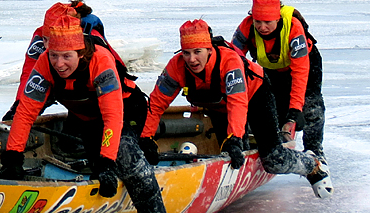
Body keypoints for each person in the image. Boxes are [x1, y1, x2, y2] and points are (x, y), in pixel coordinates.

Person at [0, 14, 175, 213]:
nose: (59, 64)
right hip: (90, 120)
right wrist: (13, 157)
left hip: (127, 113)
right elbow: (26, 112)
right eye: (54, 55)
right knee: (99, 166)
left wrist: (107, 162)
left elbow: (113, 118)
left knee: (125, 154)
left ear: (81, 53)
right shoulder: (44, 63)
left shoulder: (100, 61)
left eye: (66, 57)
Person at [142, 19, 332, 198]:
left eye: (197, 51)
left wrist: (234, 137)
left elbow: (238, 103)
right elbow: (156, 104)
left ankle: (313, 165)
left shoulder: (229, 62)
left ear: (209, 49)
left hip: (254, 95)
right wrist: (146, 137)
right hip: (218, 107)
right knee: (228, 153)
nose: (191, 59)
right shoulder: (176, 67)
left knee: (273, 159)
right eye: (186, 53)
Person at [232, 0, 328, 163]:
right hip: (272, 69)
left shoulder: (293, 28)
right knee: (272, 109)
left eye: (268, 22)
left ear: (277, 17)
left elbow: (300, 73)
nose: (262, 27)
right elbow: (231, 61)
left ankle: (315, 152)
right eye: (258, 21)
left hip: (305, 64)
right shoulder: (246, 27)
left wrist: (295, 111)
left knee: (310, 107)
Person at [2, 0, 114, 122]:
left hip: (96, 94)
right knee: (21, 109)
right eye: (47, 40)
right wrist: (19, 105)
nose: (51, 46)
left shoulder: (92, 40)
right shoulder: (41, 39)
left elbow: (110, 74)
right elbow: (30, 74)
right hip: (65, 90)